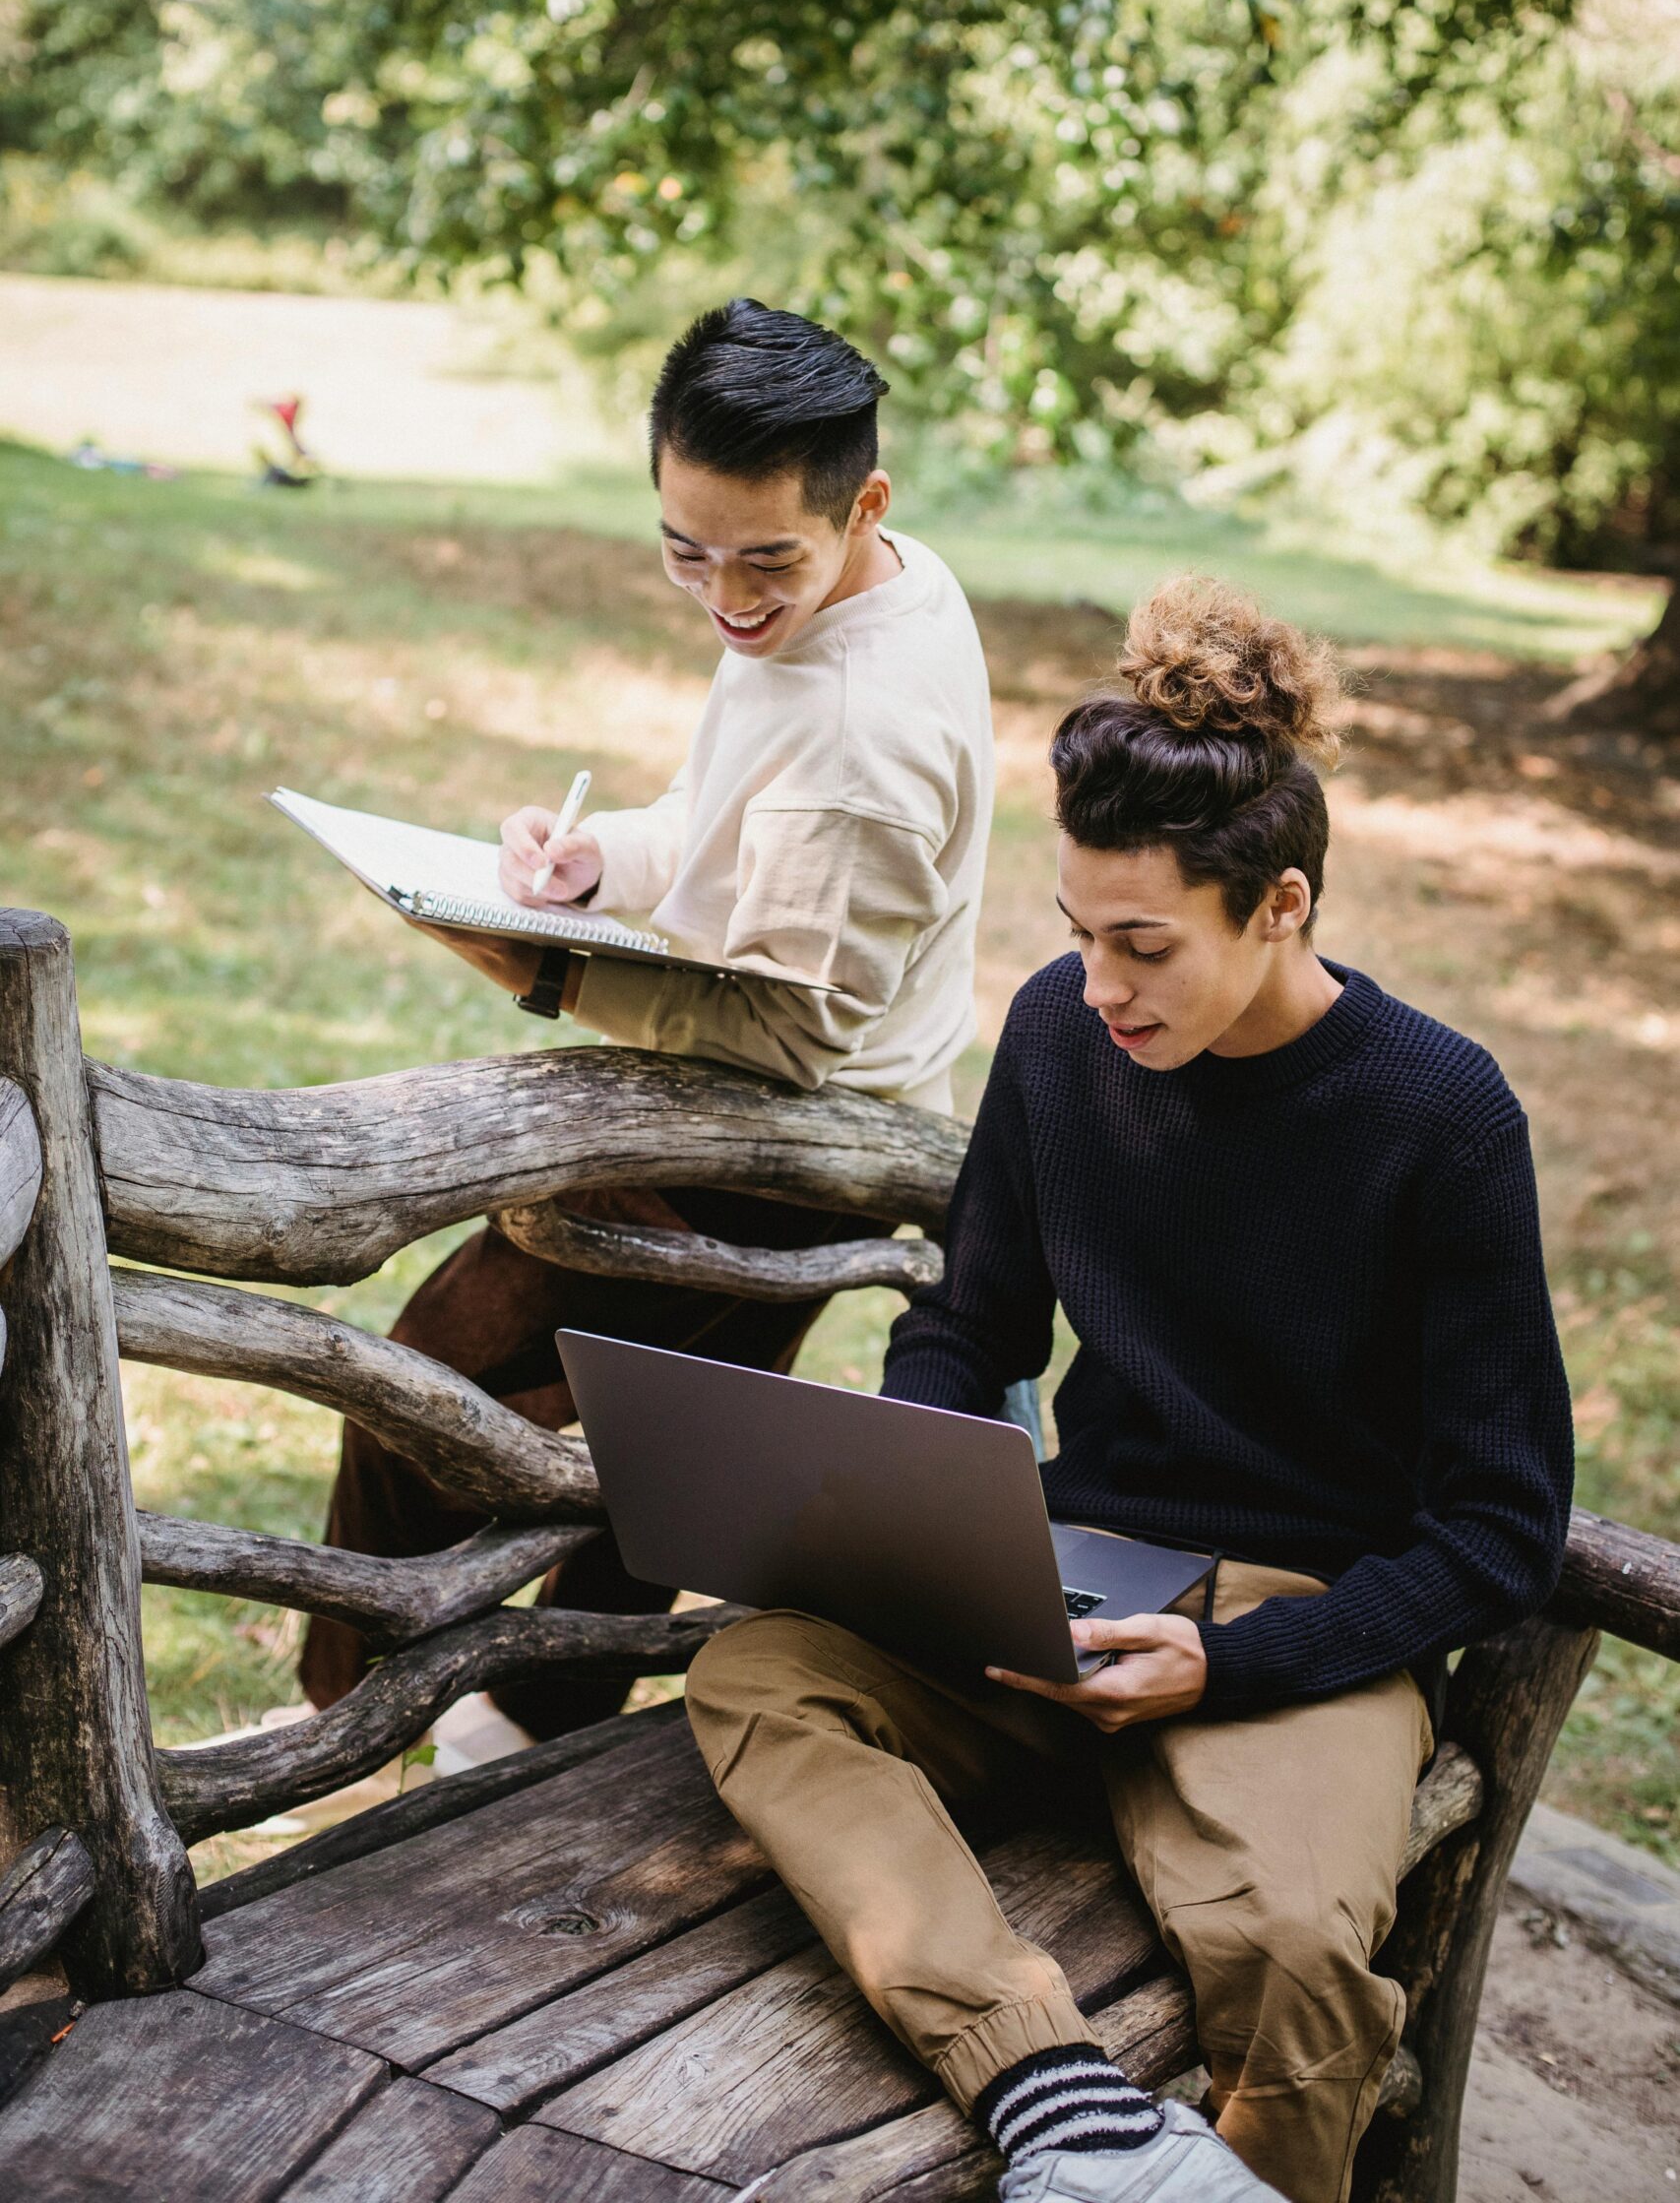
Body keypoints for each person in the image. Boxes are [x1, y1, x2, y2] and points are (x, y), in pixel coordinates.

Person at [687, 577, 1574, 2203]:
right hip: (1057, 1583)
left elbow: (1503, 1530)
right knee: (755, 1675)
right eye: (1078, 933)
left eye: (1145, 945)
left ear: (1283, 904)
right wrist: (918, 1505)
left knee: (1296, 1952)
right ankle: (1048, 2094)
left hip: (1299, 1626)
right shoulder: (1055, 1037)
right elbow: (975, 1328)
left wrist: (1227, 1665)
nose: (1101, 985)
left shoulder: (1442, 1118)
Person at [299, 299, 996, 1733]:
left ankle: (348, 1712)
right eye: (686, 549)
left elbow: (794, 1036)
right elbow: (725, 823)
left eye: (761, 560)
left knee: (426, 1389)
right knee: (664, 1448)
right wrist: (600, 862)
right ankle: (516, 1731)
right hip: (804, 1104)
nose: (727, 596)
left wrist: (552, 969)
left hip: (785, 1140)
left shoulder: (860, 739)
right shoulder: (874, 581)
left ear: (863, 502)